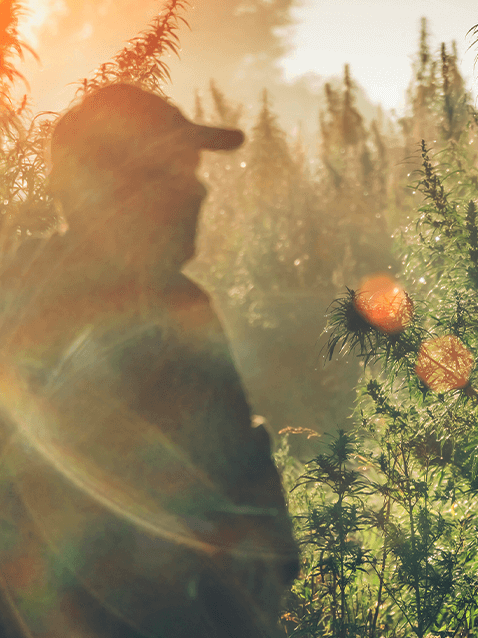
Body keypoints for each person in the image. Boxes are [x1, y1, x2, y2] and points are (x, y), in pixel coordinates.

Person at [0, 83, 299, 637]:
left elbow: (238, 470)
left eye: (192, 170)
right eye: (172, 171)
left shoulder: (180, 304)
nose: (197, 190)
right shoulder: (24, 309)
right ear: (109, 184)